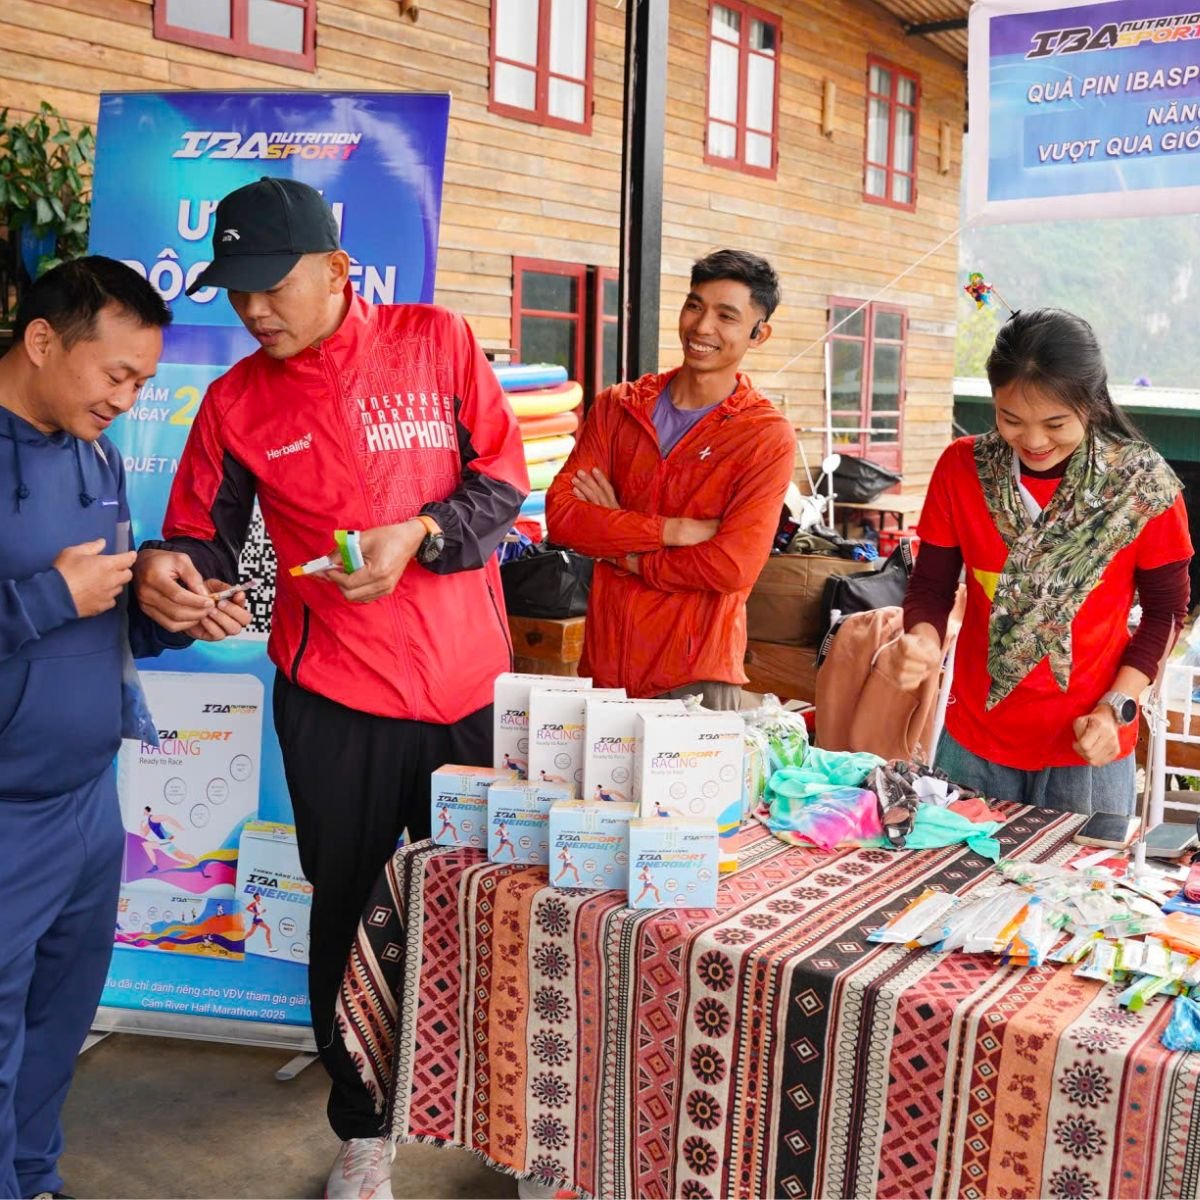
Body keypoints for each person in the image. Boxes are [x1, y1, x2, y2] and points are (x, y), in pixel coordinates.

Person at [132, 177, 528, 1199]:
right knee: (349, 918)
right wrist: (179, 577)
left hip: (468, 693)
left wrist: (422, 534)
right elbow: (199, 536)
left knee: (492, 910)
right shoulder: (235, 402)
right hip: (336, 699)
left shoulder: (438, 342)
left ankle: (507, 1122)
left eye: (273, 282)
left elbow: (501, 482)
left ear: (339, 269)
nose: (253, 307)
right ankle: (363, 1131)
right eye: (236, 288)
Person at [0, 257, 246, 1200]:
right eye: (118, 375)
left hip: (87, 799)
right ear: (42, 340)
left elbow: (101, 619)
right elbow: (57, 602)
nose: (129, 400)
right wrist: (45, 597)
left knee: (59, 1019)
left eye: (143, 381)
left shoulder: (96, 454)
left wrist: (169, 612)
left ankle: (34, 1177)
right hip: (6, 812)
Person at [890, 308, 1192, 813]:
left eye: (1055, 424)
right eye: (1010, 419)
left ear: (1092, 403)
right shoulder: (962, 468)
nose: (1033, 441)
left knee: (1082, 868)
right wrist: (921, 638)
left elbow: (1165, 613)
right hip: (974, 742)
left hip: (1088, 743)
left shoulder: (1141, 485)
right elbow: (930, 588)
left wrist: (1117, 706)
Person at [545, 249, 795, 711]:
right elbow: (562, 518)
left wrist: (623, 550)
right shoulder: (619, 407)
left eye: (726, 316)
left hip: (697, 678)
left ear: (758, 333)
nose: (702, 327)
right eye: (695, 306)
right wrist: (672, 531)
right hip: (604, 670)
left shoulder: (763, 435)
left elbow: (731, 565)